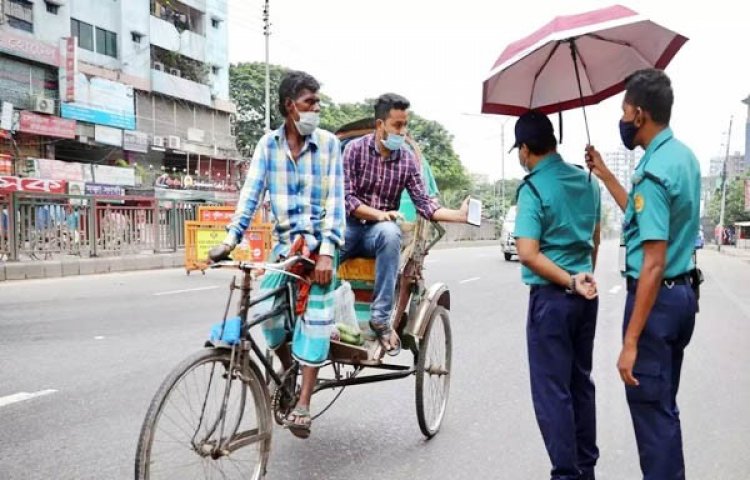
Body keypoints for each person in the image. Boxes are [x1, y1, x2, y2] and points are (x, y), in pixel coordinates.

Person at [212, 70, 345, 439]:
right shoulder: (267, 146)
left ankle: (303, 402)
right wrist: (229, 240)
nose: (316, 109)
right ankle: (287, 372)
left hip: (320, 249)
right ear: (290, 106)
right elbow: (250, 195)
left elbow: (336, 203)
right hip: (285, 249)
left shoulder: (330, 144)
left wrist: (327, 253)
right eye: (309, 103)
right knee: (267, 317)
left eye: (317, 103)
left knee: (314, 319)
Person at [585, 68, 700, 480]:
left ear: (639, 113)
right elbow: (639, 213)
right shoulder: (680, 157)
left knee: (652, 416)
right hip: (682, 297)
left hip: (657, 302)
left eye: (623, 109)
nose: (621, 118)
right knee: (663, 407)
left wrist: (630, 341)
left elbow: (652, 261)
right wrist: (605, 172)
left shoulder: (653, 173)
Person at [341, 93, 468, 354]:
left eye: (404, 125)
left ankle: (380, 318)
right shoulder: (354, 150)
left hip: (379, 233)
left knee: (390, 232)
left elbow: (424, 202)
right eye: (397, 125)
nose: (402, 131)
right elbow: (346, 199)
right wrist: (378, 213)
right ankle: (319, 312)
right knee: (323, 244)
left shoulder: (407, 159)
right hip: (350, 226)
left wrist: (458, 215)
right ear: (380, 125)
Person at [512, 110, 601, 480]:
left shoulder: (532, 187)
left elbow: (529, 253)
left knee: (553, 393)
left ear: (526, 149)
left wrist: (566, 281)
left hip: (552, 298)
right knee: (580, 383)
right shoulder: (589, 182)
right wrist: (582, 278)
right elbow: (594, 241)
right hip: (586, 296)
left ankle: (566, 474)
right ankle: (586, 468)